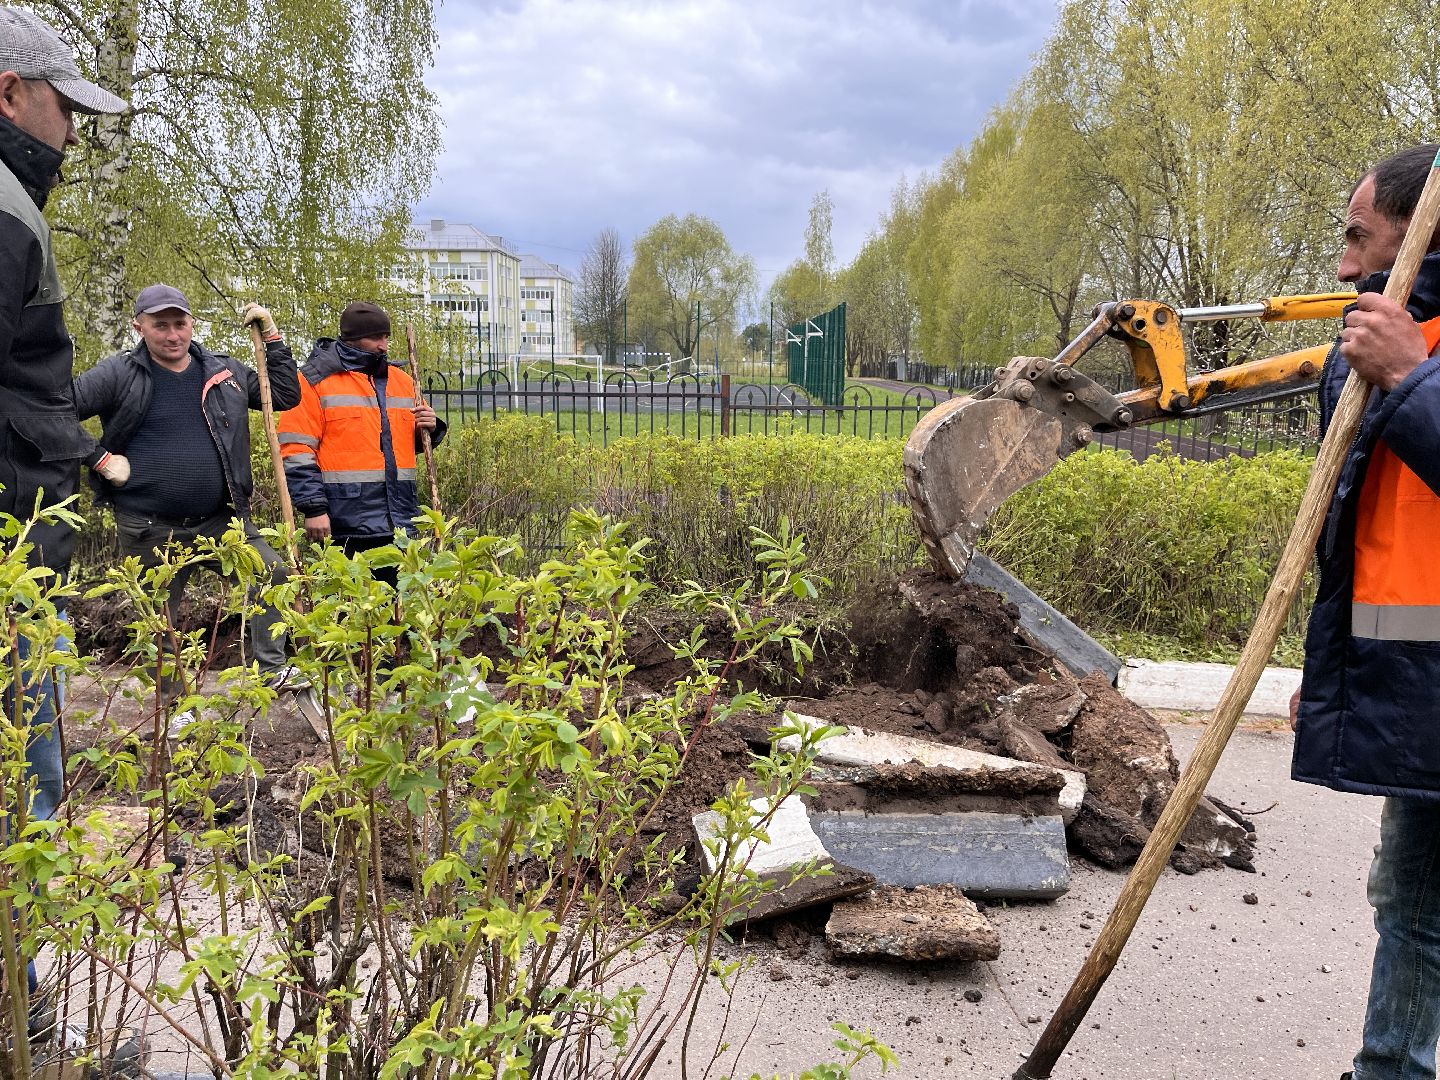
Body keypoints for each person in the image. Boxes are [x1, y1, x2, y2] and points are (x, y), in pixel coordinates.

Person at [1290, 143, 1440, 1080]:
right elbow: (1356, 539)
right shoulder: (1375, 349)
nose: (1345, 266)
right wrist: (1330, 668)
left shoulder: (1404, 357)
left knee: (1417, 903)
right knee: (1412, 898)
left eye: (1360, 237)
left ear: (1421, 232)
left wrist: (1412, 378)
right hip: (1420, 678)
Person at [0, 5, 126, 821]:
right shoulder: (5, 213)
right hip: (14, 556)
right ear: (10, 93)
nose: (74, 134)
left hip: (24, 545)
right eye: (66, 107)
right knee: (24, 795)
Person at [74, 285, 305, 719]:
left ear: (191, 323)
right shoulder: (118, 374)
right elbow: (55, 410)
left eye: (180, 323)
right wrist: (99, 459)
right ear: (139, 327)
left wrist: (273, 340)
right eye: (160, 325)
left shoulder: (223, 372)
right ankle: (176, 710)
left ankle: (270, 669)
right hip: (150, 527)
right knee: (158, 621)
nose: (172, 334)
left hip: (220, 520)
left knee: (272, 572)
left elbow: (284, 395)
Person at [277, 301, 445, 576]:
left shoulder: (403, 381)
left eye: (386, 337)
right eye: (376, 338)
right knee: (347, 601)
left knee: (400, 600)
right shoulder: (312, 381)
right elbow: (296, 451)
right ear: (352, 338)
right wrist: (313, 508)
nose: (384, 346)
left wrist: (430, 427)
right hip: (343, 524)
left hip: (399, 521)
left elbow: (408, 444)